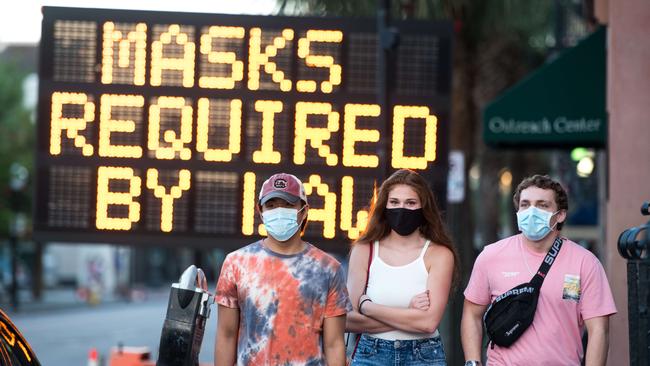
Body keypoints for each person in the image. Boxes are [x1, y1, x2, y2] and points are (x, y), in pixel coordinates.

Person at [461, 174, 617, 366]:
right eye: (525, 204)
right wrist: (473, 363)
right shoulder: (491, 256)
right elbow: (471, 313)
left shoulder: (585, 263)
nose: (532, 211)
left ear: (560, 215)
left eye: (542, 205)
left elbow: (599, 330)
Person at [214, 173, 352, 366]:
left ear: (303, 211)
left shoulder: (328, 268)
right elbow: (226, 335)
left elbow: (334, 343)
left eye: (288, 205)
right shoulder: (236, 263)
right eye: (271, 205)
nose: (279, 211)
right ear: (260, 211)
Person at [345, 169, 458, 366]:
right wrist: (408, 312)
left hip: (422, 355)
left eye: (411, 203)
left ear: (423, 207)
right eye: (394, 202)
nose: (402, 209)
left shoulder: (439, 254)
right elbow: (347, 320)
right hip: (371, 354)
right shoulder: (364, 250)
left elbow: (428, 323)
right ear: (384, 206)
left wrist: (367, 307)